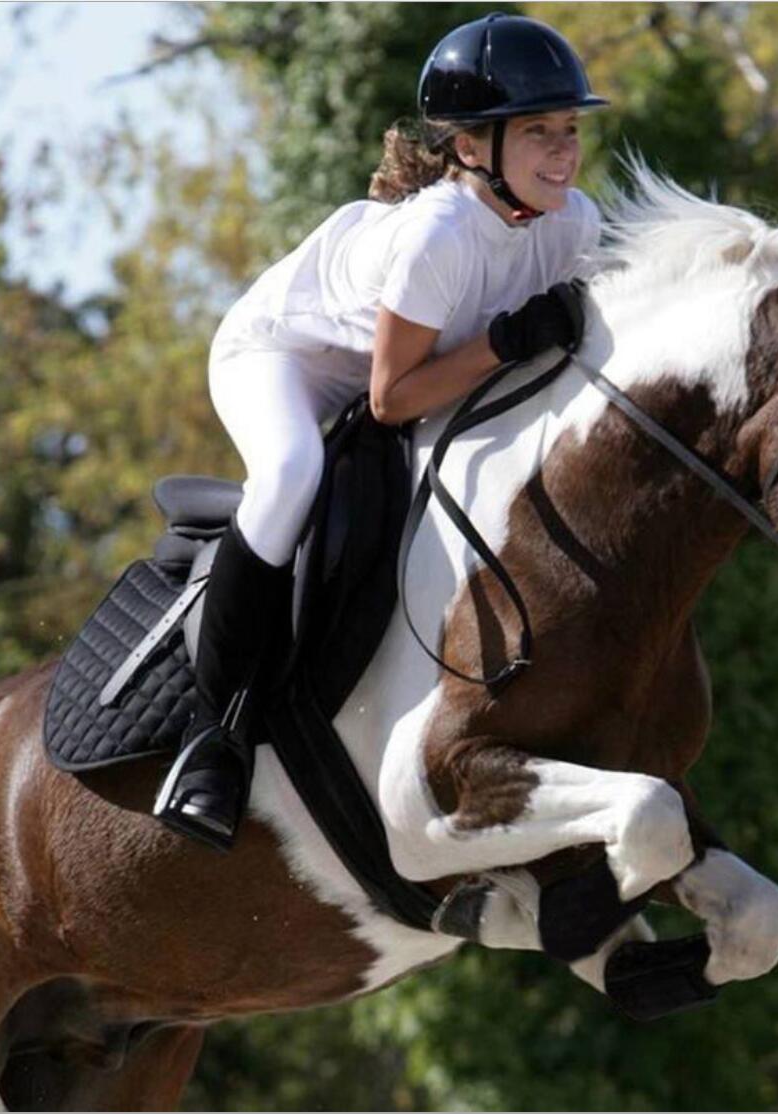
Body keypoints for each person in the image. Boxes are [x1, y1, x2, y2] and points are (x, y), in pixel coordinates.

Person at [152, 12, 610, 851]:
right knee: (291, 473)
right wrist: (502, 345)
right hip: (285, 357)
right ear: (472, 148)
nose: (563, 151)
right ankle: (212, 736)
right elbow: (392, 399)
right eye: (538, 131)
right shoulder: (441, 234)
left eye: (570, 128)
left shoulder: (572, 223)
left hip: (403, 369)